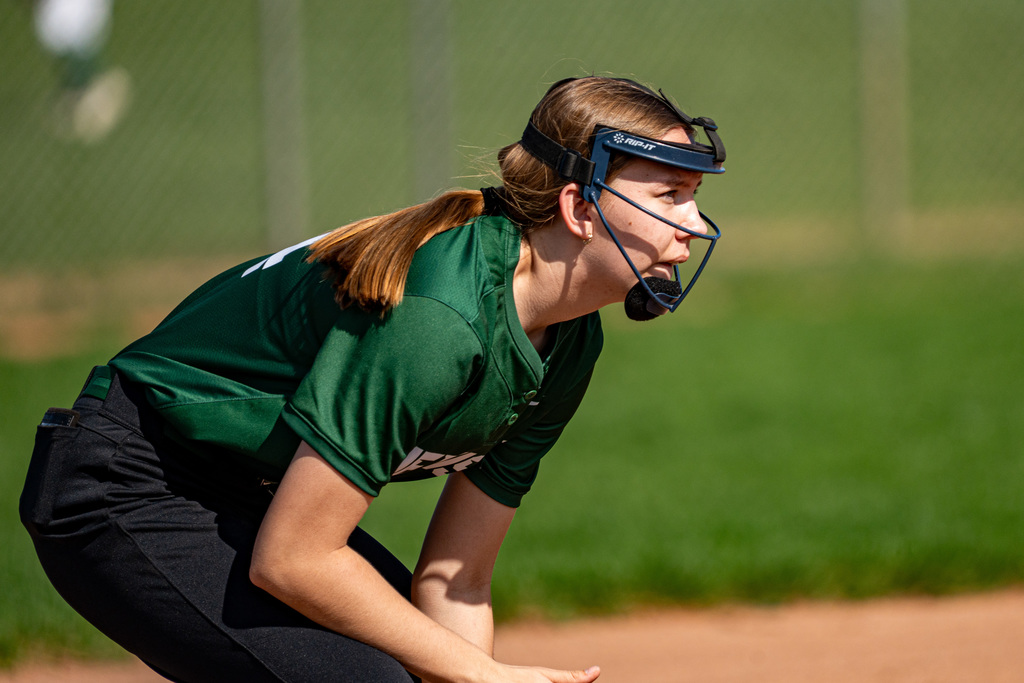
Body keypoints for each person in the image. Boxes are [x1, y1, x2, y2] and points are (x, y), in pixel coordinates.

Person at [20, 76, 725, 682]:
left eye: (693, 196)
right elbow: (294, 559)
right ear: (577, 208)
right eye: (669, 194)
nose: (692, 222)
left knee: (423, 660)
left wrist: (464, 670)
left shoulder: (568, 341)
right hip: (128, 482)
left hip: (250, 493)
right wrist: (477, 672)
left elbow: (457, 578)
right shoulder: (440, 317)